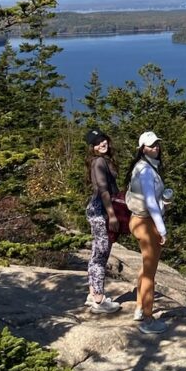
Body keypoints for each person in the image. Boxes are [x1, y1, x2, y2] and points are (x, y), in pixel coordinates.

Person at [125, 131, 169, 334]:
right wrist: (162, 229)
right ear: (143, 149)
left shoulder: (145, 167)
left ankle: (139, 308)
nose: (156, 148)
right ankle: (148, 320)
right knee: (150, 272)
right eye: (151, 146)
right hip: (145, 222)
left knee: (145, 267)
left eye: (157, 144)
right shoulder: (145, 171)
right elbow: (150, 203)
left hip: (140, 219)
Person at [84, 129, 121, 314]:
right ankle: (98, 300)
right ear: (92, 147)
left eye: (103, 139)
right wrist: (112, 215)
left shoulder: (102, 160)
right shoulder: (99, 162)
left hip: (98, 209)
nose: (102, 144)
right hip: (101, 210)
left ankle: (93, 294)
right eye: (97, 143)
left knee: (97, 253)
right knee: (101, 254)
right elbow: (104, 190)